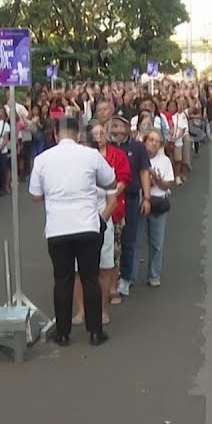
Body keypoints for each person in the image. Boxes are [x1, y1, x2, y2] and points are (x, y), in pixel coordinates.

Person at [29, 117, 116, 347]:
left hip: (58, 228)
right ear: (78, 135)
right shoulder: (91, 155)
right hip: (87, 225)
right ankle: (96, 332)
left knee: (62, 280)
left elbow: (35, 195)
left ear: (56, 135)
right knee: (90, 278)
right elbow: (110, 181)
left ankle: (63, 333)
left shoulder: (42, 160)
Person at [74, 122, 128, 327]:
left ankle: (102, 310)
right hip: (78, 224)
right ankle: (82, 310)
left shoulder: (105, 171)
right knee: (79, 269)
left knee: (104, 268)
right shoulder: (72, 172)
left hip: (101, 223)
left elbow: (112, 199)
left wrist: (100, 223)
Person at [110, 115, 152, 301]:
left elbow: (144, 172)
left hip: (132, 198)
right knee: (109, 240)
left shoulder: (137, 147)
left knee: (129, 239)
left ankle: (125, 277)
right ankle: (110, 277)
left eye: (119, 126)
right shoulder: (106, 147)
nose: (115, 130)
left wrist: (147, 198)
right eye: (113, 126)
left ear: (127, 128)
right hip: (110, 199)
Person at [144, 128, 175, 287]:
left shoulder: (165, 161)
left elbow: (166, 185)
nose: (154, 143)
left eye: (157, 141)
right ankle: (129, 276)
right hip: (141, 202)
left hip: (158, 203)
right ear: (145, 141)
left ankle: (154, 274)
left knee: (156, 242)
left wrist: (156, 178)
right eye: (151, 140)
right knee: (135, 242)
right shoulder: (139, 158)